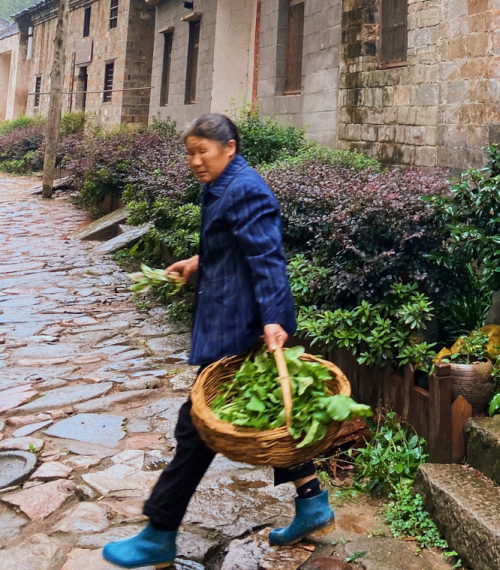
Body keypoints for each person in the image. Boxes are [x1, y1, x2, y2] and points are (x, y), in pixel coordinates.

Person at [102, 113, 335, 569]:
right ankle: (311, 502)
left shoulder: (246, 188)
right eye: (189, 152)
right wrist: (197, 263)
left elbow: (268, 259)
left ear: (229, 147)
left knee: (196, 430)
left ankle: (159, 533)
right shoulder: (224, 184)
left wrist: (273, 319)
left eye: (201, 151)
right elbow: (233, 250)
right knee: (266, 417)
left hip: (242, 326)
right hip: (233, 318)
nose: (194, 161)